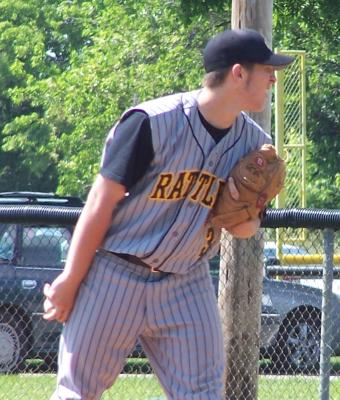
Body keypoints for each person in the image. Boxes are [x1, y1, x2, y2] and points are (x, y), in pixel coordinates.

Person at [43, 28, 293, 399]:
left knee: (204, 394)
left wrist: (242, 213)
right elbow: (100, 202)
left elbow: (244, 229)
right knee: (77, 392)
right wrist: (70, 278)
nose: (273, 77)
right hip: (115, 273)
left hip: (185, 281)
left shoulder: (254, 146)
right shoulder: (152, 123)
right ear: (238, 73)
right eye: (266, 69)